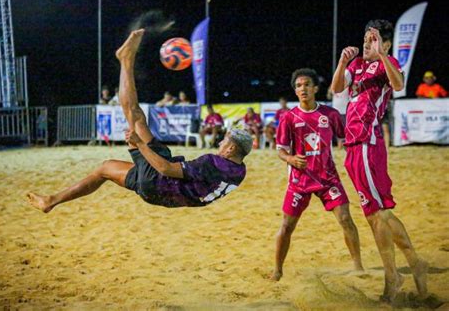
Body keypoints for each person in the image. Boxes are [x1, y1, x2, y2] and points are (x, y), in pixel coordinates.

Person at [27, 29, 253, 212]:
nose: (220, 143)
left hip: (159, 182)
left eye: (224, 141)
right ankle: (50, 201)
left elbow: (165, 169)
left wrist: (139, 143)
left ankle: (126, 60)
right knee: (107, 166)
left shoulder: (211, 163)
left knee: (133, 117)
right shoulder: (239, 170)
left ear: (231, 147)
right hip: (169, 192)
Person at [330, 19, 428, 302]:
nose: (366, 44)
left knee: (381, 212)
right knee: (373, 216)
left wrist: (383, 55)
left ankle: (412, 263)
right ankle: (391, 276)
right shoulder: (357, 65)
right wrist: (341, 62)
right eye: (365, 39)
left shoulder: (387, 62)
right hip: (353, 147)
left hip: (367, 144)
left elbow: (399, 84)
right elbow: (338, 88)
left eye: (372, 39)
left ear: (385, 44)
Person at [270, 68, 363, 281]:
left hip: (327, 178)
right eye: (299, 86)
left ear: (315, 88)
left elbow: (347, 136)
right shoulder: (289, 117)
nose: (303, 88)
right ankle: (277, 270)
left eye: (307, 85)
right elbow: (280, 150)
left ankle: (358, 266)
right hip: (299, 181)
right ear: (295, 91)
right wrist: (291, 159)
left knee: (346, 219)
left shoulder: (329, 114)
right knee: (286, 226)